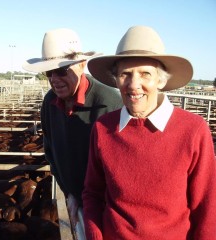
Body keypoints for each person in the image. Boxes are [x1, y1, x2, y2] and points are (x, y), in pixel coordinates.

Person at [82, 25, 216, 239]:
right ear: (115, 79)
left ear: (161, 80)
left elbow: (207, 206)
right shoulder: (103, 128)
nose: (134, 85)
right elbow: (93, 192)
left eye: (145, 74)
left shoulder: (193, 129)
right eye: (125, 74)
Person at [22, 28, 123, 234]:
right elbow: (50, 151)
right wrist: (69, 192)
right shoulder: (49, 102)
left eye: (61, 70)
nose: (54, 79)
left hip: (107, 208)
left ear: (82, 64)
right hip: (78, 201)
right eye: (48, 72)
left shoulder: (110, 103)